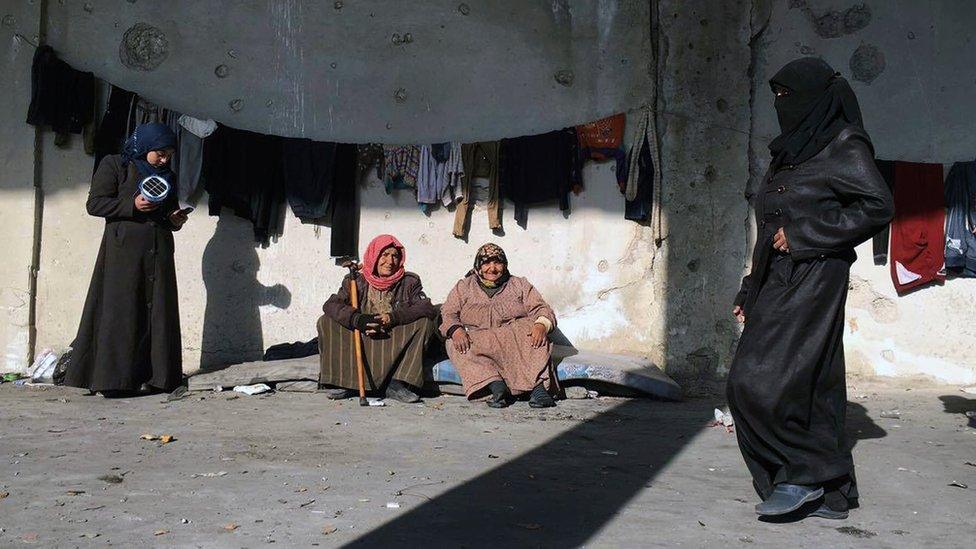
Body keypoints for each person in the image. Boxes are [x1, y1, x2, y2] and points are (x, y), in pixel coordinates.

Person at [727, 58, 894, 520]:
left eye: (789, 96)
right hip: (778, 277)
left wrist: (807, 234)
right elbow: (770, 227)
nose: (782, 105)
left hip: (816, 274)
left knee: (754, 383)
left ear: (818, 97)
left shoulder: (844, 144)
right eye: (776, 97)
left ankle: (801, 474)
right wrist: (750, 288)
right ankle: (831, 491)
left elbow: (878, 206)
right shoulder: (790, 150)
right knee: (813, 382)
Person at [65, 122, 189, 397]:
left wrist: (175, 219)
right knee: (121, 311)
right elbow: (95, 204)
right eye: (159, 153)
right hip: (123, 253)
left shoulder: (167, 175)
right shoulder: (114, 165)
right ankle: (115, 381)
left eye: (169, 153)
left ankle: (158, 378)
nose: (164, 159)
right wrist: (131, 205)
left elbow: (167, 211)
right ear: (145, 146)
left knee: (157, 311)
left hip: (158, 251)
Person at [318, 234, 437, 403]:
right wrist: (358, 319)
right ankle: (346, 382)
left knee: (425, 322)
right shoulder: (356, 280)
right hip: (361, 337)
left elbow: (426, 307)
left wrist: (393, 317)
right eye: (385, 255)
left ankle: (397, 384)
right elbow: (331, 305)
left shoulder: (409, 282)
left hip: (393, 338)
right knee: (325, 321)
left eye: (395, 256)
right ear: (374, 256)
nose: (390, 261)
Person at [440, 243, 557, 408]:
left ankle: (538, 389)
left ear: (505, 264)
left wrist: (541, 325)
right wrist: (456, 330)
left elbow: (541, 308)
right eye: (487, 263)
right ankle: (496, 386)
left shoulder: (519, 284)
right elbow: (448, 312)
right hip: (480, 340)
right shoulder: (464, 286)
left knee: (534, 331)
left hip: (513, 339)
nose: (492, 268)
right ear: (478, 266)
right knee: (453, 343)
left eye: (498, 263)